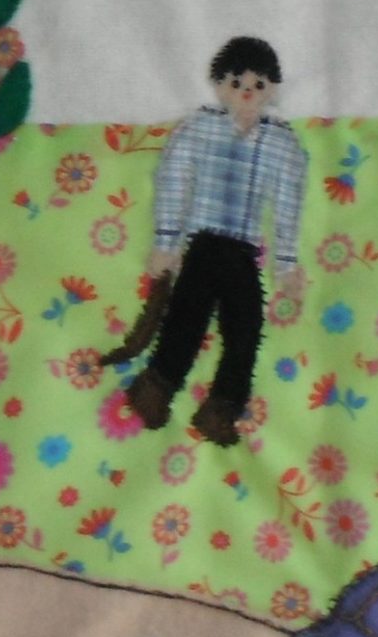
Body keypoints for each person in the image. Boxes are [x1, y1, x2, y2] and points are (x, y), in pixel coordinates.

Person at [120, 36, 307, 446]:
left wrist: (287, 264)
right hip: (203, 245)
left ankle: (221, 408)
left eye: (258, 84)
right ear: (220, 84)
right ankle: (153, 390)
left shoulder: (281, 142)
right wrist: (166, 241)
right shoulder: (200, 128)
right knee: (185, 321)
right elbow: (173, 179)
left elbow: (288, 202)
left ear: (272, 88)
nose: (247, 91)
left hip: (243, 252)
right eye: (237, 82)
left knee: (246, 329)